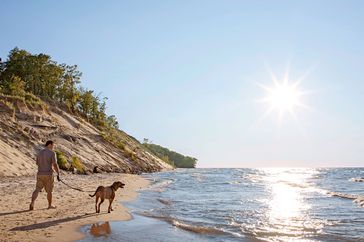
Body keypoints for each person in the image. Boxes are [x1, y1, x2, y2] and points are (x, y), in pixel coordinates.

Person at [29, 140, 60, 210]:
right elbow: (55, 164)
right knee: (49, 191)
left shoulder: (39, 153)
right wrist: (58, 173)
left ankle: (32, 202)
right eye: (53, 145)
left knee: (37, 189)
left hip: (40, 173)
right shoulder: (52, 153)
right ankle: (49, 205)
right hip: (48, 174)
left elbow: (37, 163)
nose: (53, 147)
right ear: (50, 144)